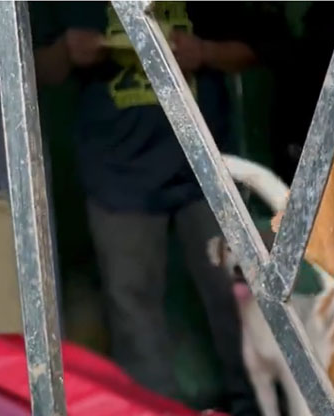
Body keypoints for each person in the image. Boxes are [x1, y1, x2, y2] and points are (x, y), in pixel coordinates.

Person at [29, 3, 283, 414]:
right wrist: (65, 52)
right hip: (116, 172)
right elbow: (27, 70)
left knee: (239, 297)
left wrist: (205, 52)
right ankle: (156, 410)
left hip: (208, 166)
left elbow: (263, 46)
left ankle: (257, 406)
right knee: (133, 312)